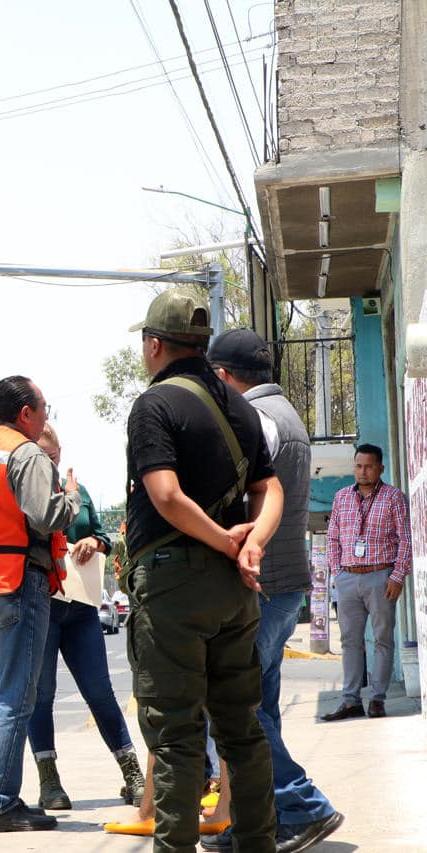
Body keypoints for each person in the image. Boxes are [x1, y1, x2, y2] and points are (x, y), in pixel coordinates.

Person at [123, 291, 283, 853]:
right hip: (235, 591)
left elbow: (164, 494)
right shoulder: (241, 407)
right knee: (242, 728)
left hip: (173, 589)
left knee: (176, 737)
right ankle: (259, 842)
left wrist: (222, 539)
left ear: (154, 345)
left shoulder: (155, 405)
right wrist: (251, 545)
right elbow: (270, 488)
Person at [196, 328, 346, 852]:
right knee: (261, 705)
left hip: (260, 584)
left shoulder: (254, 419)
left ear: (223, 377)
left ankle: (303, 805)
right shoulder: (286, 414)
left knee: (240, 710)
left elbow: (236, 495)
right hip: (284, 583)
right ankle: (259, 819)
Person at [0, 376, 82, 833]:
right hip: (17, 579)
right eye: (44, 408)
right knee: (15, 695)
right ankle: (0, 803)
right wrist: (73, 499)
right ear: (25, 413)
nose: (46, 416)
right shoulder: (25, 453)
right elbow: (46, 515)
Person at [26, 424, 145, 811]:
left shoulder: (79, 491)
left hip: (81, 608)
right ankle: (49, 781)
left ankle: (132, 775)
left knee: (100, 693)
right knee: (40, 696)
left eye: (54, 456)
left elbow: (102, 536)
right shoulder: (22, 492)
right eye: (42, 457)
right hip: (41, 608)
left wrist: (96, 541)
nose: (50, 463)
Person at [321, 443, 412, 721]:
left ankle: (377, 699)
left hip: (380, 577)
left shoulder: (394, 498)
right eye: (359, 466)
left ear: (380, 468)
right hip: (348, 577)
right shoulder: (341, 498)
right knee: (350, 641)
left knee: (382, 640)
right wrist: (337, 572)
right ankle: (350, 701)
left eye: (369, 466)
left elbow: (405, 539)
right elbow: (332, 537)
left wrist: (397, 576)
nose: (363, 471)